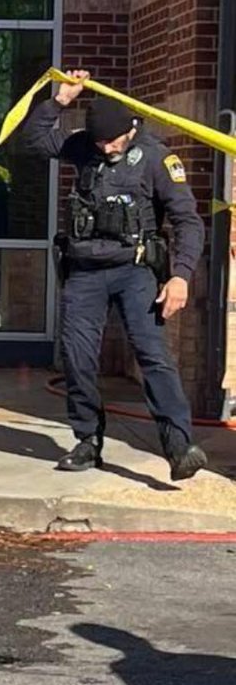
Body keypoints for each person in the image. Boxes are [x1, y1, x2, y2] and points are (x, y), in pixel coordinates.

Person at [21, 68, 208, 481]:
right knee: (77, 356)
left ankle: (178, 445)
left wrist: (180, 276)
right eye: (99, 141)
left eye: (112, 141)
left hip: (135, 270)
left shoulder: (157, 158)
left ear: (130, 129)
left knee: (153, 356)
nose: (105, 148)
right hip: (85, 270)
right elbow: (33, 140)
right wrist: (61, 100)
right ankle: (87, 440)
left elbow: (188, 221)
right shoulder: (84, 147)